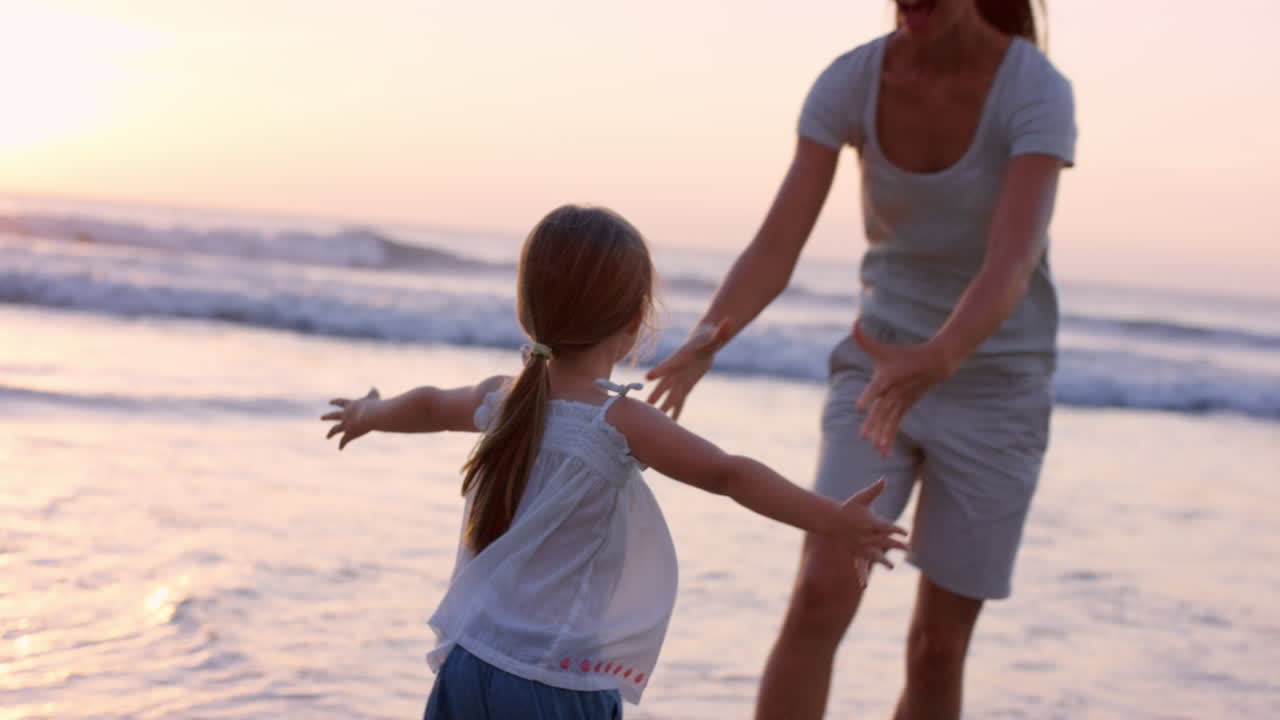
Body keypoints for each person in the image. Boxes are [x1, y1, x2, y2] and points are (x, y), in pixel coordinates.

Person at [644, 1, 1076, 717]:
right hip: (876, 372)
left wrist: (939, 357)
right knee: (821, 593)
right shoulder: (851, 82)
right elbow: (778, 242)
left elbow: (1014, 260)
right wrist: (707, 338)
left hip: (999, 388)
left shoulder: (1035, 89)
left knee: (936, 648)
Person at [321, 204, 908, 720]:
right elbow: (728, 474)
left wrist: (369, 414)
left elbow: (426, 404)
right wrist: (831, 520)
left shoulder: (501, 399)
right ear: (634, 321)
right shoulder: (617, 422)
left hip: (470, 663)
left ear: (528, 312)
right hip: (555, 681)